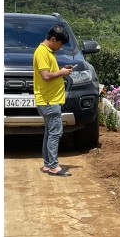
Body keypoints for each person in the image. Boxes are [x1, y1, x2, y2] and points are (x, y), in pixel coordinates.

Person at [33, 24, 74, 177]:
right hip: (49, 101)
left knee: (49, 133)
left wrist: (62, 70)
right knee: (55, 133)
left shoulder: (47, 51)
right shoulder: (43, 52)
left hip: (48, 100)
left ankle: (47, 164)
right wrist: (62, 73)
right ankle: (54, 167)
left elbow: (50, 72)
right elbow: (46, 76)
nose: (60, 47)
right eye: (60, 43)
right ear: (53, 39)